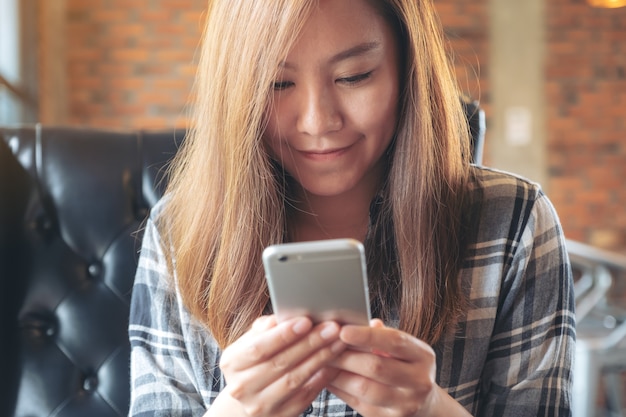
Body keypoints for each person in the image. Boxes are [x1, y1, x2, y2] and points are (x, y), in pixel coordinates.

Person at [128, 0, 575, 416]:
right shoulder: (178, 232)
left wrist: (432, 409)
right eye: (277, 83)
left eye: (354, 76)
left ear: (408, 67)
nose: (318, 122)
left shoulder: (514, 225)